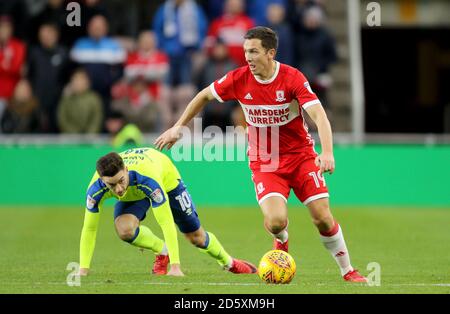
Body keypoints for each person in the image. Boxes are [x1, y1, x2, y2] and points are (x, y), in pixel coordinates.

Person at [155, 27, 367, 282]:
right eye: (246, 51)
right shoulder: (238, 78)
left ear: (270, 53)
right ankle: (282, 241)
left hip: (301, 157)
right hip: (265, 161)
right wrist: (179, 127)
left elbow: (319, 115)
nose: (248, 57)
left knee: (322, 218)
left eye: (253, 51)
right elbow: (203, 96)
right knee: (276, 222)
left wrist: (328, 152)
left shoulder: (292, 78)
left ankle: (348, 271)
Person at [78, 147, 257, 277]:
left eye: (120, 181)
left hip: (167, 180)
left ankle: (230, 263)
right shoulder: (94, 190)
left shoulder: (148, 180)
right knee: (125, 230)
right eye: (111, 185)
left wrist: (176, 267)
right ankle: (162, 251)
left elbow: (165, 221)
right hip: (135, 192)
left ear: (126, 169)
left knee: (196, 237)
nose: (118, 189)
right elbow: (90, 229)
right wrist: (83, 269)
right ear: (102, 180)